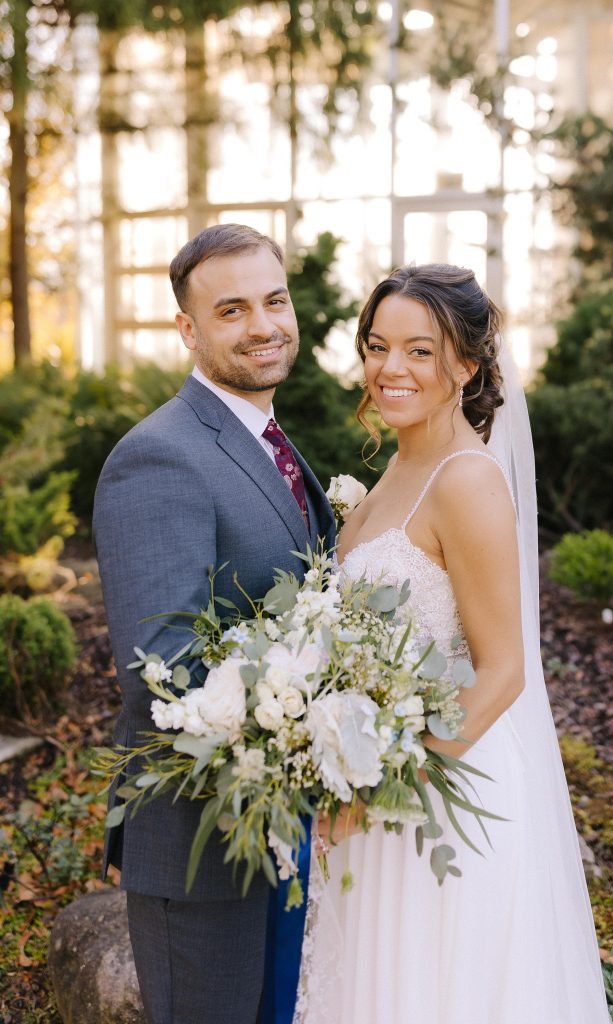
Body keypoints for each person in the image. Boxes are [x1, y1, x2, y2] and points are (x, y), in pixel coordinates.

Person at [295, 264, 612, 1024]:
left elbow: (504, 671)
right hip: (374, 789)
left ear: (467, 365)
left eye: (420, 351)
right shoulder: (399, 464)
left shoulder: (466, 478)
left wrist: (380, 783)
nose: (390, 368)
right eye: (377, 346)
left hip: (436, 797)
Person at [93, 223, 335, 1024]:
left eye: (274, 300)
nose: (263, 325)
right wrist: (317, 709)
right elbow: (160, 664)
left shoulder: (263, 439)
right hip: (203, 847)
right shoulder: (159, 456)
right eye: (231, 310)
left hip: (282, 828)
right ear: (189, 331)